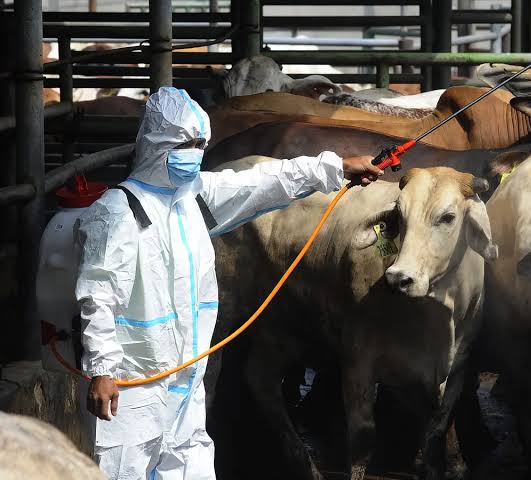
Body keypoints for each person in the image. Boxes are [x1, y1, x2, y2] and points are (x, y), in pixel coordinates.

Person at [75, 86, 382, 479]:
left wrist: (335, 168)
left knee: (192, 465)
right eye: (188, 143)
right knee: (125, 471)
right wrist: (103, 370)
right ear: (158, 143)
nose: (196, 152)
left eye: (202, 142)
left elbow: (266, 179)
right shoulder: (118, 211)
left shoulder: (192, 198)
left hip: (187, 377)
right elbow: (98, 293)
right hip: (133, 386)